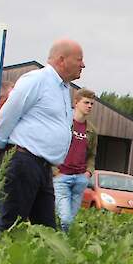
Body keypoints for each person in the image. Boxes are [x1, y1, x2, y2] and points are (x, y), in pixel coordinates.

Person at [0, 39, 85, 234]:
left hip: (43, 168)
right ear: (62, 60)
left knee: (46, 231)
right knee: (9, 222)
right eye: (79, 59)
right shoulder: (37, 80)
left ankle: (37, 263)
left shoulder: (63, 88)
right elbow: (9, 113)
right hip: (25, 162)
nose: (83, 65)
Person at [53, 88, 98, 232]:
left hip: (80, 178)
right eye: (86, 102)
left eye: (92, 103)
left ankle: (62, 245)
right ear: (76, 103)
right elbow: (51, 145)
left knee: (69, 221)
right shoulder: (64, 122)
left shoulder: (91, 130)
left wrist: (88, 173)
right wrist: (55, 170)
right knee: (65, 218)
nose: (89, 106)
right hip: (62, 176)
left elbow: (91, 155)